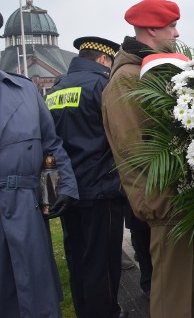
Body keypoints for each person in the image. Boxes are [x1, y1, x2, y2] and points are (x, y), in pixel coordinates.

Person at [102, 0, 194, 318]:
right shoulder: (128, 78)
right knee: (173, 297)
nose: (177, 33)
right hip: (167, 205)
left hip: (184, 201)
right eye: (171, 26)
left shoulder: (152, 67)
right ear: (151, 29)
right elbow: (134, 150)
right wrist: (164, 204)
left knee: (193, 292)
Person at [45, 36, 128, 318]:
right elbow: (120, 135)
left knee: (77, 257)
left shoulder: (56, 88)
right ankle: (106, 313)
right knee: (102, 261)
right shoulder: (102, 86)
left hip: (67, 189)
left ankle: (85, 311)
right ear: (104, 59)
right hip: (101, 188)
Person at [0, 28, 79, 316]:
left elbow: (51, 144)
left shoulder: (24, 90)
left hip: (25, 210)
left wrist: (65, 185)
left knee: (35, 296)